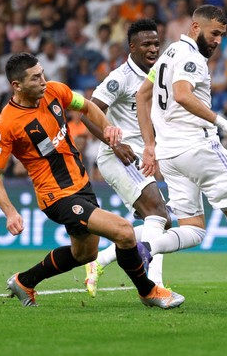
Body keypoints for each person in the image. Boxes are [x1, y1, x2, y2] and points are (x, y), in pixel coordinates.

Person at [0, 52, 184, 309]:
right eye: (35, 78)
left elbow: (89, 107)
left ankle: (24, 281)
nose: (43, 81)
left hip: (82, 185)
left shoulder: (54, 91)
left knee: (85, 254)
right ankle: (149, 292)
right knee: (124, 232)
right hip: (56, 196)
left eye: (43, 73)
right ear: (17, 85)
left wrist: (109, 128)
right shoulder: (6, 125)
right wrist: (10, 212)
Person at [135, 5, 227, 307]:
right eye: (214, 33)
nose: (217, 41)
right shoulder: (191, 57)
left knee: (193, 229)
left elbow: (142, 94)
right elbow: (182, 94)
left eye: (221, 36)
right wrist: (225, 123)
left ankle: (144, 247)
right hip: (199, 147)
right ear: (195, 27)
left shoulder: (169, 53)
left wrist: (150, 144)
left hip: (170, 154)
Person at [80, 19, 171, 297]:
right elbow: (89, 112)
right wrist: (113, 142)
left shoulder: (159, 73)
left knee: (161, 221)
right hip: (118, 154)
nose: (153, 48)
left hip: (139, 155)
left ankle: (100, 260)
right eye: (146, 44)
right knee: (156, 212)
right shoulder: (120, 77)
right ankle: (154, 285)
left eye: (156, 43)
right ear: (132, 47)